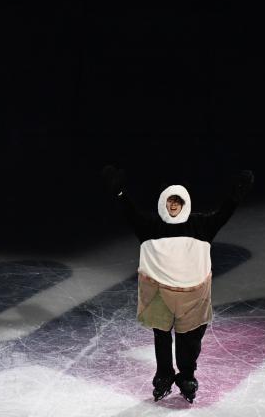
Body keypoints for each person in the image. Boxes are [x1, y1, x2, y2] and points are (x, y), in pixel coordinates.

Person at [102, 165, 255, 402]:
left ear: (185, 203)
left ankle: (186, 376)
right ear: (163, 202)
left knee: (189, 339)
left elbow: (223, 214)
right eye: (170, 201)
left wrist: (237, 193)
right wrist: (119, 192)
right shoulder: (150, 227)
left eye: (178, 201)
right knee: (162, 337)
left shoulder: (201, 225)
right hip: (159, 292)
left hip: (192, 295)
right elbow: (130, 213)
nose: (173, 205)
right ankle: (164, 376)